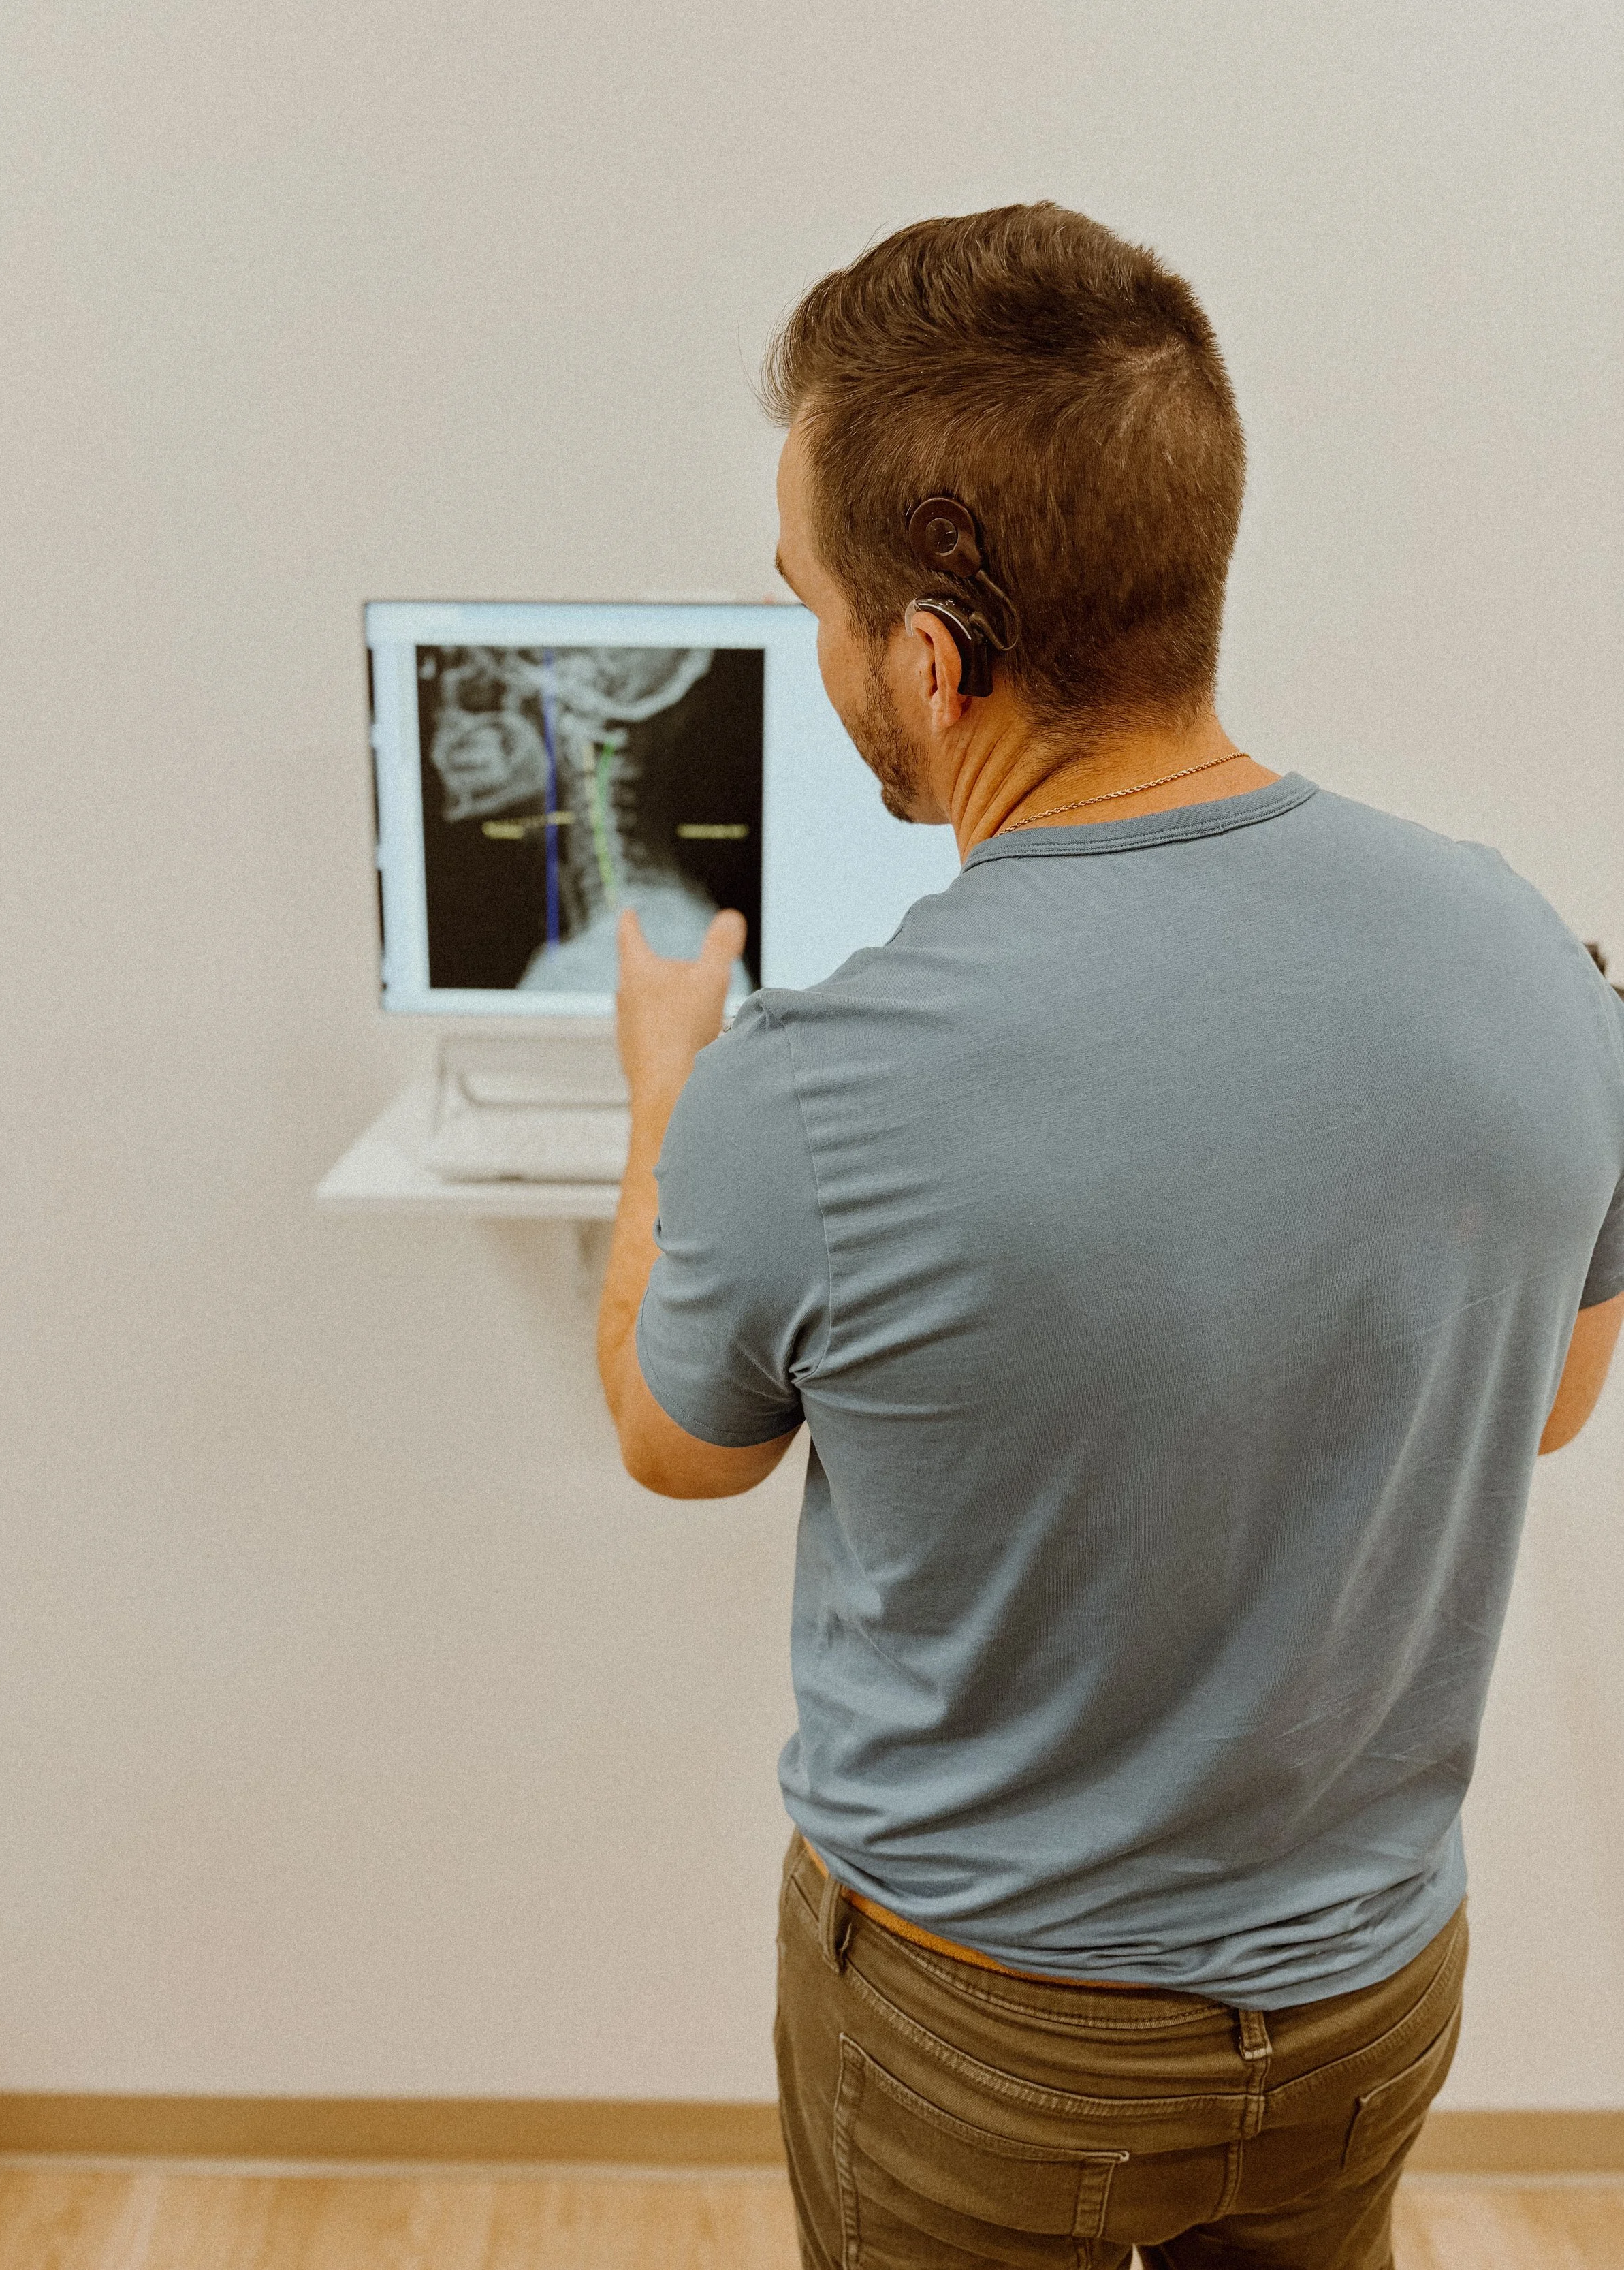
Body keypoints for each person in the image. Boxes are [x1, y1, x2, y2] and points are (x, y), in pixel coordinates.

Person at [594, 204, 1624, 2270]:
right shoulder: (1536, 962)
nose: (813, 655)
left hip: (993, 2042)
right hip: (1363, 1994)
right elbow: (1542, 1405)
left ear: (927, 654)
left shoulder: (811, 1089)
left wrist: (661, 1098)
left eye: (809, 603)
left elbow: (674, 1441)